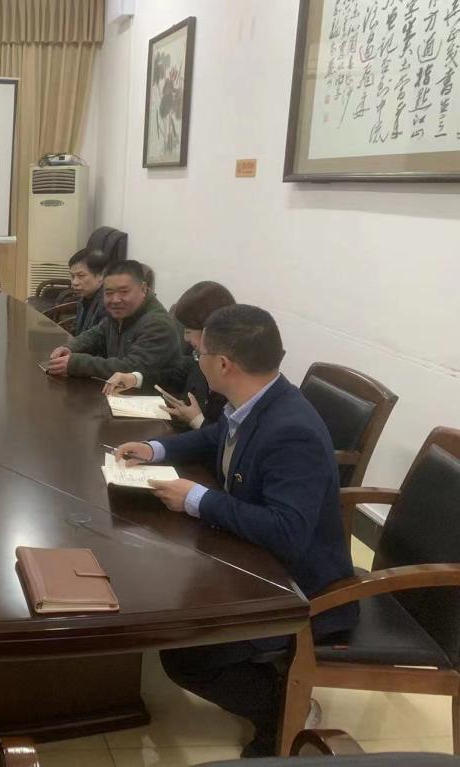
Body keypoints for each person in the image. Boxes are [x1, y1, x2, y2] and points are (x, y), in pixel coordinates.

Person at [113, 305, 357, 758]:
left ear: (223, 364)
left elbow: (287, 531)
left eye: (200, 354)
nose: (197, 360)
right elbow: (211, 439)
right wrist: (154, 448)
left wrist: (195, 497)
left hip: (301, 586)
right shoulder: (254, 400)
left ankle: (284, 713)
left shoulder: (291, 431)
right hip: (255, 555)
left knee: (188, 654)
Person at [103, 281, 235, 428]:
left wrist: (197, 420)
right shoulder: (198, 358)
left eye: (189, 332)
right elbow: (172, 373)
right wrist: (134, 378)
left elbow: (228, 436)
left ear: (209, 329)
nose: (185, 338)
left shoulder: (234, 376)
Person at [46, 260, 181, 381]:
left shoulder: (157, 323)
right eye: (109, 293)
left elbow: (132, 367)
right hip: (119, 391)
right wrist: (69, 347)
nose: (115, 300)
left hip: (150, 396)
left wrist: (77, 363)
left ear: (143, 289)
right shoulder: (120, 313)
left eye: (124, 292)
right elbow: (94, 335)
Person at [67, 248, 108, 335]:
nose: (74, 282)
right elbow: (75, 329)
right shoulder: (85, 296)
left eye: (81, 275)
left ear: (101, 275)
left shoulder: (108, 304)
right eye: (72, 276)